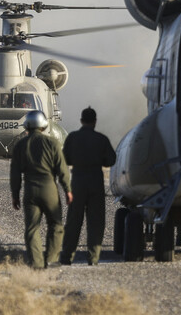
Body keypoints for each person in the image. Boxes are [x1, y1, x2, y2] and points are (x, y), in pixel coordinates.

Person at [9, 110, 73, 269]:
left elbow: (15, 173)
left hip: (30, 190)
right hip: (49, 188)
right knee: (56, 224)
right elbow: (62, 169)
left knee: (32, 228)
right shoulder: (53, 143)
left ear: (27, 126)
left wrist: (15, 195)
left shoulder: (20, 145)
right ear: (44, 125)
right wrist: (67, 190)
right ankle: (51, 259)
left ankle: (36, 263)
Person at [59, 107, 117, 265]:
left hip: (77, 181)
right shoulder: (101, 139)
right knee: (96, 222)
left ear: (81, 120)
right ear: (95, 121)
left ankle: (67, 256)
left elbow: (66, 158)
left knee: (73, 221)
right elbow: (111, 160)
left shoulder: (73, 137)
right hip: (96, 182)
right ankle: (93, 257)